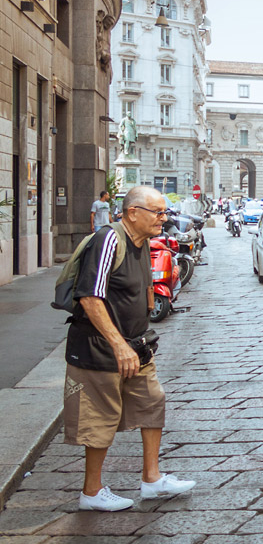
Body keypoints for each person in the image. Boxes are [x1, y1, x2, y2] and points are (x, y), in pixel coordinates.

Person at [64, 185, 195, 511]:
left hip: (135, 346)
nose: (163, 219)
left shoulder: (143, 242)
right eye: (158, 212)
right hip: (100, 349)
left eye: (164, 212)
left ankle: (152, 480)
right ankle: (91, 493)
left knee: (153, 402)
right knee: (99, 420)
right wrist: (118, 345)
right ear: (132, 213)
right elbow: (89, 297)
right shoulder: (108, 239)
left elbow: (144, 289)